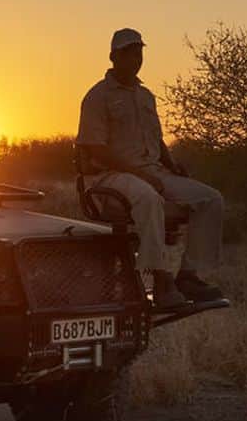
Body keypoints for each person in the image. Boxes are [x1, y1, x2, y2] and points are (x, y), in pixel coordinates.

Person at [77, 28, 225, 308]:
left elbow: (155, 137)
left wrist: (171, 164)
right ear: (112, 56)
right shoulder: (97, 96)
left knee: (211, 199)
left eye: (138, 52)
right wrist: (140, 174)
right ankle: (160, 279)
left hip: (152, 171)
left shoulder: (146, 96)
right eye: (127, 53)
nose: (135, 58)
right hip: (108, 176)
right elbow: (95, 148)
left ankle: (189, 275)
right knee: (148, 198)